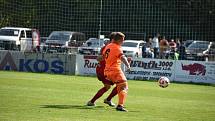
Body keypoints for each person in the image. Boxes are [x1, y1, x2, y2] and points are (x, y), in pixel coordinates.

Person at [87, 32, 117, 107]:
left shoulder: (105, 46)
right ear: (113, 39)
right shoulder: (112, 47)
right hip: (105, 71)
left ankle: (92, 102)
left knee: (107, 87)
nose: (121, 42)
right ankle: (108, 99)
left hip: (101, 69)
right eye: (119, 39)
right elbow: (100, 58)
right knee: (122, 85)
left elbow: (99, 58)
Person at [103, 32, 131, 112]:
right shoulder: (117, 47)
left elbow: (104, 56)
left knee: (119, 86)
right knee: (124, 86)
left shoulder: (108, 46)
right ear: (118, 40)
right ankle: (120, 106)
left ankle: (109, 99)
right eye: (122, 40)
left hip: (107, 71)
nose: (123, 42)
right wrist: (128, 65)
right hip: (115, 70)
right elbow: (122, 57)